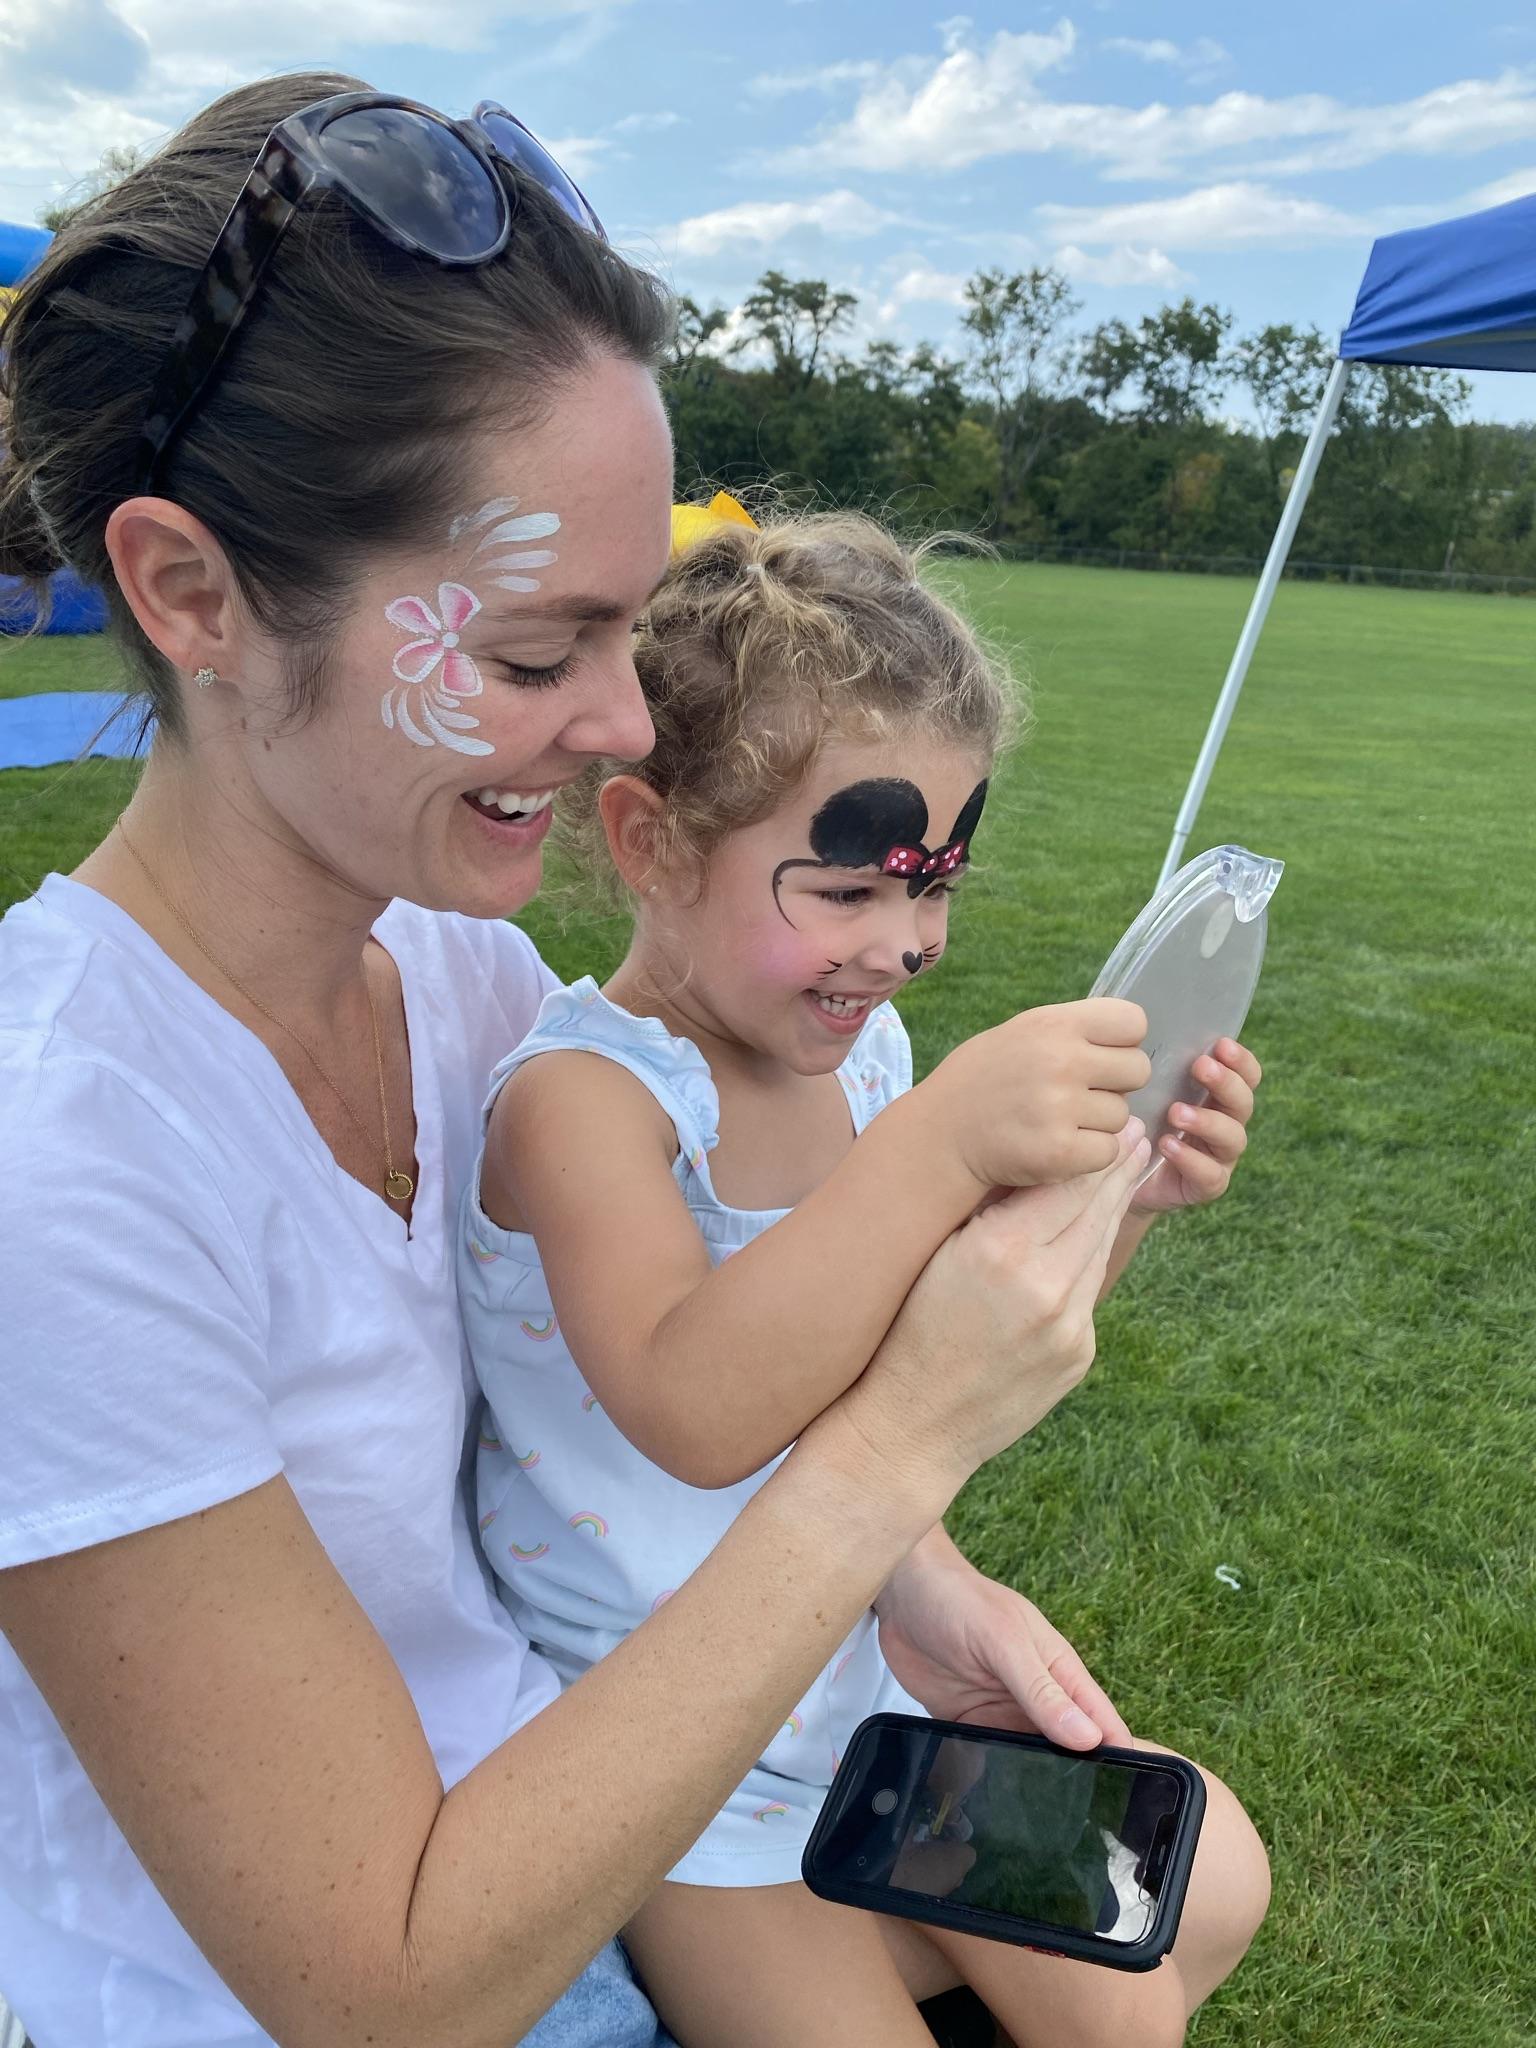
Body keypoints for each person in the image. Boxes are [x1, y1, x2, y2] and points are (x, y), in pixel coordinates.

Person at [0, 70, 1266, 2048]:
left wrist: (923, 1574)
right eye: (531, 654)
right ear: (193, 594)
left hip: (647, 1828)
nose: (621, 725)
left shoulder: (470, 981)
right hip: (407, 1978)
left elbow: (632, 1416)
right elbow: (384, 1987)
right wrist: (896, 1460)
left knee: (1182, 1904)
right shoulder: (59, 1164)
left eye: (634, 627)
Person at [461, 505, 1270, 2047]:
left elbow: (938, 1357)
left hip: (864, 1685)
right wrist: (942, 1148)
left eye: (935, 884)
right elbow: (696, 1403)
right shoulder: (586, 1100)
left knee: (1193, 1911)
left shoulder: (868, 1058)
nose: (905, 946)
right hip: (664, 1765)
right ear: (648, 843)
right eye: (847, 889)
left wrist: (1127, 1201)